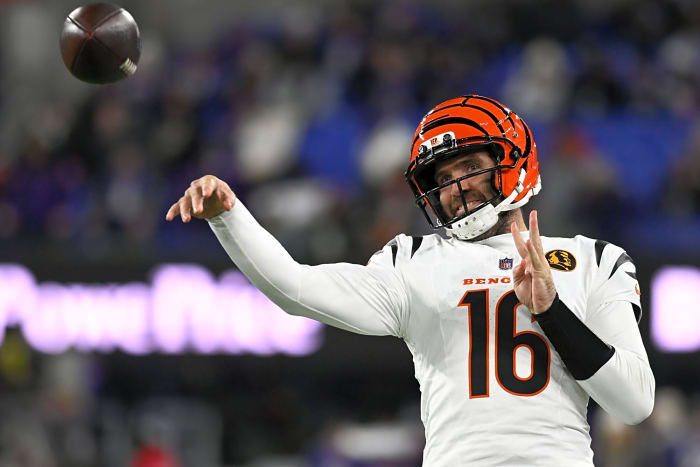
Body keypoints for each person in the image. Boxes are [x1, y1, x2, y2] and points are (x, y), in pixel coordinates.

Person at [165, 95, 655, 466]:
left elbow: (634, 403)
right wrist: (229, 216)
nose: (457, 187)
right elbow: (295, 288)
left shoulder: (594, 260)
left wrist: (551, 310)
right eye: (442, 178)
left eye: (471, 167)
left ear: (513, 163)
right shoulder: (415, 261)